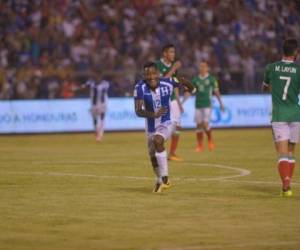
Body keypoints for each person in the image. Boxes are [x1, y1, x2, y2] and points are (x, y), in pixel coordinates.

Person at [134, 62, 195, 193]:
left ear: (158, 74)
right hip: (150, 126)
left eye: (153, 73)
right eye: (147, 74)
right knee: (152, 156)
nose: (151, 77)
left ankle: (166, 178)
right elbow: (138, 110)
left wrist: (192, 89)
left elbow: (183, 80)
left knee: (158, 140)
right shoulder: (139, 88)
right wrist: (153, 114)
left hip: (167, 121)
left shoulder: (168, 82)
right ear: (144, 76)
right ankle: (159, 180)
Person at [262, 38, 300, 197]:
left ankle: (286, 184)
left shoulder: (271, 68)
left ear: (283, 51)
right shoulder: (298, 70)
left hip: (279, 114)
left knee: (282, 152)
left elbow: (264, 88)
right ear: (295, 53)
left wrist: (274, 89)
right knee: (291, 151)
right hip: (295, 114)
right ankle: (288, 184)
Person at [155, 44, 186, 161]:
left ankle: (172, 153)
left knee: (178, 126)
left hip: (173, 100)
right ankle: (158, 146)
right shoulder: (157, 65)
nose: (173, 54)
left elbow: (175, 85)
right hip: (162, 100)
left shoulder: (174, 67)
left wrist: (179, 103)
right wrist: (173, 69)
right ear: (165, 54)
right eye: (171, 52)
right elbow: (160, 82)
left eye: (174, 52)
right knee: (162, 126)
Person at [191, 61, 225, 152]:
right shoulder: (195, 80)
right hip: (198, 104)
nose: (202, 68)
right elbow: (191, 91)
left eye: (204, 66)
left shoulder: (211, 79)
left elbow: (216, 92)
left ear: (207, 68)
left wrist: (221, 103)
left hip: (207, 105)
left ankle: (210, 140)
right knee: (198, 125)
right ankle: (199, 146)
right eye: (201, 66)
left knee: (205, 124)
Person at [85, 72, 110, 141]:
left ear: (101, 77)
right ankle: (96, 131)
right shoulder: (90, 83)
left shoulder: (105, 84)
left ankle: (100, 134)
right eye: (96, 76)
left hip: (102, 104)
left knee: (102, 118)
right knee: (95, 120)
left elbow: (106, 90)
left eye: (99, 76)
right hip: (94, 105)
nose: (97, 78)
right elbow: (84, 87)